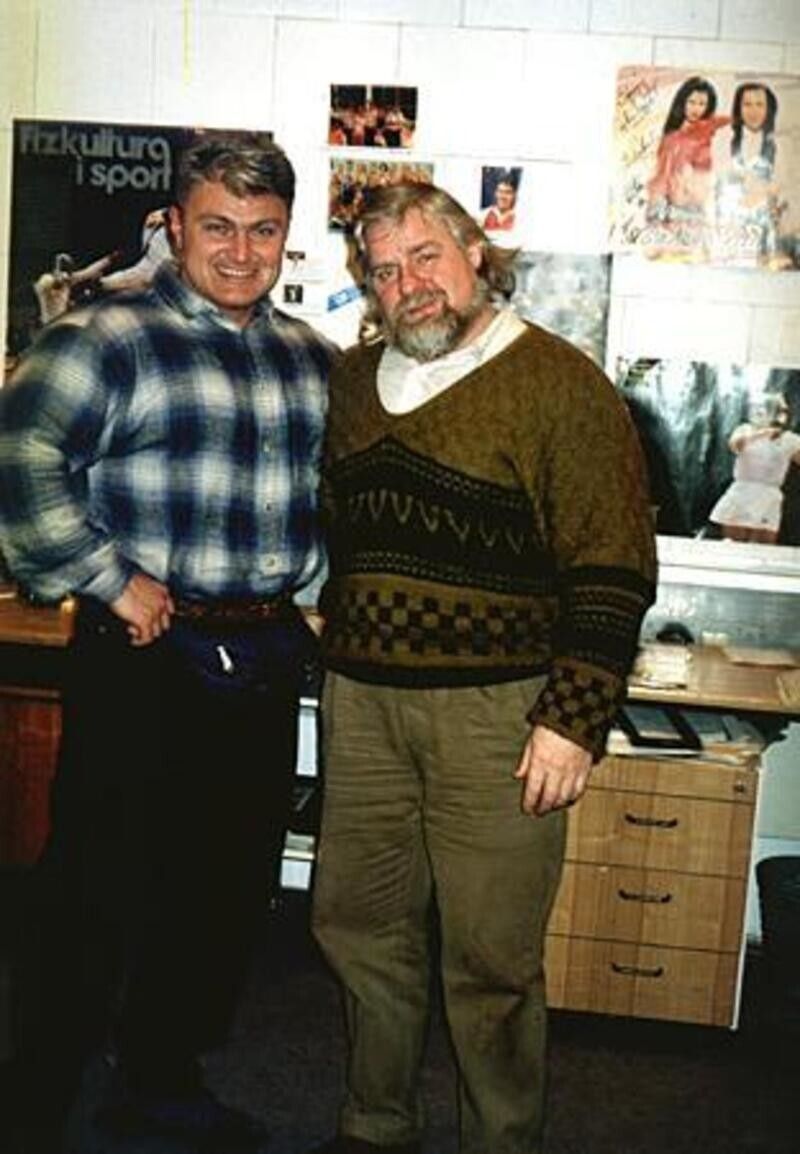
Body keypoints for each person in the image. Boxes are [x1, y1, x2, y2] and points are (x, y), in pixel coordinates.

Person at [0, 132, 332, 1153]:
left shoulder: (310, 358)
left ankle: (159, 1078)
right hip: (145, 655)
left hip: (261, 656)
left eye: (263, 230)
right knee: (95, 888)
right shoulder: (103, 338)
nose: (241, 252)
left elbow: (322, 496)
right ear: (175, 226)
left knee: (223, 891)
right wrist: (107, 576)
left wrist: (318, 591)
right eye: (219, 227)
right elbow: (19, 457)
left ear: (287, 236)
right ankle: (35, 1096)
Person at [309, 182, 657, 1154]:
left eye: (425, 256)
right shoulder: (352, 380)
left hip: (497, 716)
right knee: (357, 926)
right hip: (362, 704)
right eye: (385, 270)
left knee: (490, 956)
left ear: (474, 252)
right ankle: (375, 1123)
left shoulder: (558, 382)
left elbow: (613, 562)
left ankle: (500, 1138)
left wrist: (573, 717)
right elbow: (344, 529)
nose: (407, 284)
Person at [712, 81, 789, 266]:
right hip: (730, 227)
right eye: (747, 104)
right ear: (738, 108)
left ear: (769, 109)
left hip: (766, 227)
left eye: (759, 104)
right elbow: (716, 181)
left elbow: (784, 185)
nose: (753, 111)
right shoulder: (723, 139)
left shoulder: (781, 144)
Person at [708, 393, 800, 543]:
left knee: (763, 547)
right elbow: (735, 445)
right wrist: (762, 434)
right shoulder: (744, 430)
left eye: (784, 411)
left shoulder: (790, 439)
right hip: (742, 493)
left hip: (769, 496)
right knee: (733, 544)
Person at [646, 75, 730, 226]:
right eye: (691, 102)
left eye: (702, 104)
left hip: (703, 208)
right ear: (682, 102)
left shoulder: (712, 133)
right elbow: (661, 177)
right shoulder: (671, 139)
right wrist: (656, 210)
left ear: (708, 107)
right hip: (675, 209)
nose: (696, 109)